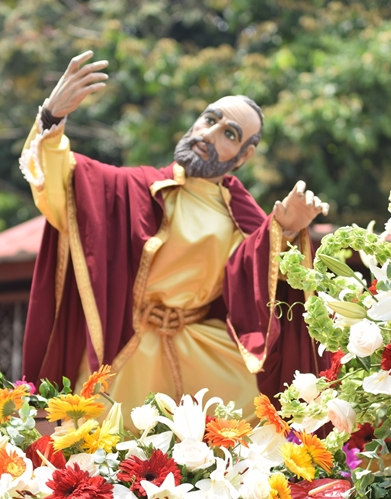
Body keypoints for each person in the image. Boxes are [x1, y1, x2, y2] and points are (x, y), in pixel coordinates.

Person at [20, 51, 329, 425]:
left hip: (209, 358)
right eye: (209, 119)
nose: (209, 134)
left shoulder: (243, 215)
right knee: (104, 440)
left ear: (244, 155)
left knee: (245, 433)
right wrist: (51, 118)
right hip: (126, 353)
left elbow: (258, 282)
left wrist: (286, 229)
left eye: (229, 134)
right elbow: (63, 184)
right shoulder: (133, 187)